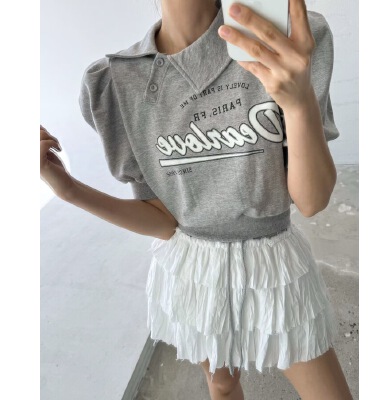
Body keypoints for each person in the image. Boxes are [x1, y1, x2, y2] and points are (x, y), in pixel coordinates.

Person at [40, 0, 354, 398]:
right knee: (221, 384)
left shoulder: (284, 40)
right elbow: (164, 219)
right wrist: (68, 189)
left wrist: (298, 101)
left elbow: (312, 200)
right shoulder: (114, 83)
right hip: (195, 270)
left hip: (274, 266)